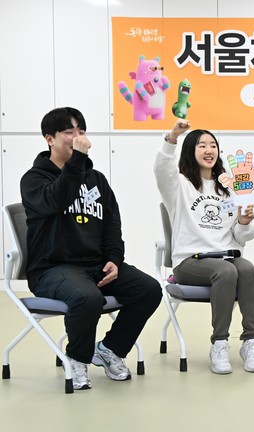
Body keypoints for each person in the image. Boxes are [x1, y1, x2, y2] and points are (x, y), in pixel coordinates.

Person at [20, 107, 162, 390]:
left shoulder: (96, 179)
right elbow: (57, 199)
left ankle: (109, 350)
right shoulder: (34, 179)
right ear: (49, 139)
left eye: (81, 131)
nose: (77, 138)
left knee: (148, 289)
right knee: (87, 298)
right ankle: (77, 358)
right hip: (52, 269)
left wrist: (114, 260)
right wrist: (78, 160)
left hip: (94, 266)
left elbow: (111, 224)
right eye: (68, 132)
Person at [155, 119, 254, 375]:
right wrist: (172, 137)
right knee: (226, 272)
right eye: (202, 145)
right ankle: (220, 343)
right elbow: (162, 170)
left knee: (247, 269)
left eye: (213, 145)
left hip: (227, 257)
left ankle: (251, 341)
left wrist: (244, 223)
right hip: (190, 262)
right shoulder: (179, 185)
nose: (209, 150)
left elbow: (241, 236)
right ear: (190, 150)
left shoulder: (228, 188)